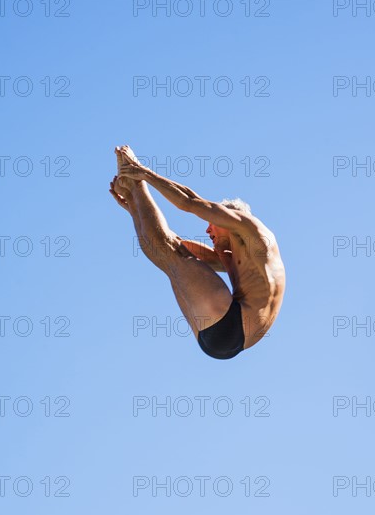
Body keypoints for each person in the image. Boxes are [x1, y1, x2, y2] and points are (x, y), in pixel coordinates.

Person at [109, 145, 285, 360]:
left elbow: (188, 203)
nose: (207, 230)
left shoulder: (254, 231)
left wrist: (143, 172)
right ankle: (133, 192)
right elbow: (177, 240)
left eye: (213, 223)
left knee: (171, 253)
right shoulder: (240, 258)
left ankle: (136, 184)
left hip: (232, 324)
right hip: (220, 341)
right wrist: (137, 210)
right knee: (169, 253)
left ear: (230, 217)